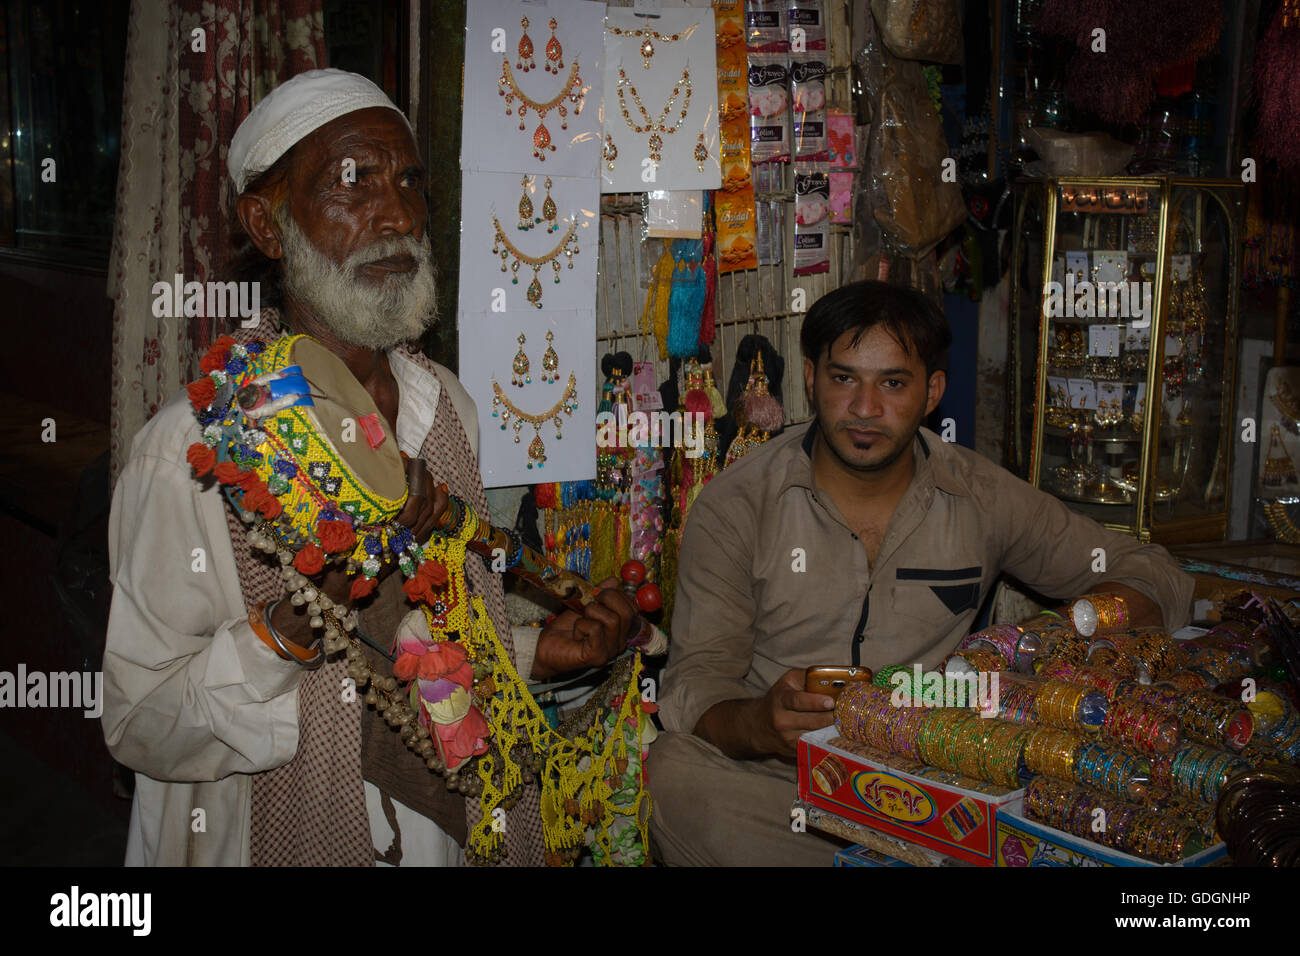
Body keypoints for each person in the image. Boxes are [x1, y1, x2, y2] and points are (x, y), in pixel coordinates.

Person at [102, 69, 637, 867]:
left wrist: (535, 654)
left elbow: (426, 645)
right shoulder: (196, 450)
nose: (395, 215)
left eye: (409, 182)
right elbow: (137, 721)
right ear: (269, 223)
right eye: (352, 183)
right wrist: (291, 627)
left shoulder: (447, 409)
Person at [647, 279, 1194, 866]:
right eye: (843, 379)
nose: (864, 408)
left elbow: (1153, 575)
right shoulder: (737, 505)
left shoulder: (979, 493)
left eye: (893, 383)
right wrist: (759, 724)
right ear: (810, 380)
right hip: (780, 786)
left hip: (943, 782)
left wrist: (1042, 641)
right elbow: (696, 684)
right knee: (673, 777)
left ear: (932, 391)